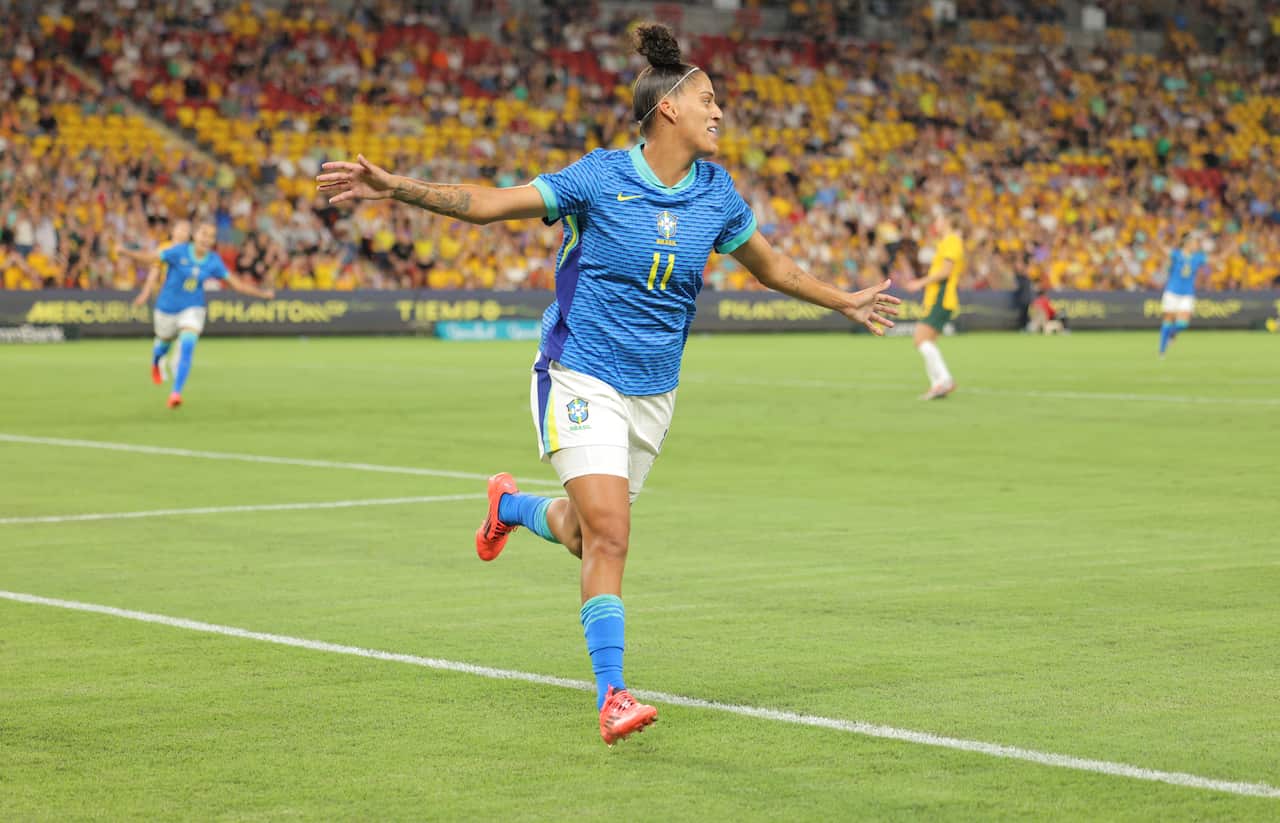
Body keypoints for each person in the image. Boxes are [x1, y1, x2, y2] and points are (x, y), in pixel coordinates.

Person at [316, 23, 900, 746]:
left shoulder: (716, 195)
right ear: (669, 111)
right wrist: (394, 187)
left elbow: (772, 269)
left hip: (654, 392)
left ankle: (512, 505)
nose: (720, 113)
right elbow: (492, 203)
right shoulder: (598, 178)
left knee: (583, 530)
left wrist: (844, 299)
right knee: (614, 535)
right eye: (709, 101)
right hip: (579, 372)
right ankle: (613, 694)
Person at [119, 222, 274, 408]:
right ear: (195, 236)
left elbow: (237, 285)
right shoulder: (178, 251)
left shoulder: (213, 261)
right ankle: (156, 361)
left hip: (193, 307)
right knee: (163, 345)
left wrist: (262, 294)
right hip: (167, 307)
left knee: (188, 343)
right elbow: (152, 259)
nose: (206, 239)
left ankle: (176, 393)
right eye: (203, 234)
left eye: (210, 236)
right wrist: (126, 252)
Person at [904, 208, 962, 399]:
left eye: (937, 219)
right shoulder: (945, 242)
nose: (935, 223)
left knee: (920, 339)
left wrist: (919, 283)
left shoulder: (952, 241)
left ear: (946, 220)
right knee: (926, 341)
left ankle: (944, 381)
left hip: (942, 299)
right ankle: (939, 383)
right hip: (937, 299)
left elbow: (946, 272)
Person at [132, 219, 192, 383]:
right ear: (174, 231)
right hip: (166, 297)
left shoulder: (191, 251)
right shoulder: (164, 249)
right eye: (181, 229)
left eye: (187, 230)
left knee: (185, 332)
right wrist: (145, 293)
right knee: (164, 335)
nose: (184, 233)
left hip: (185, 298)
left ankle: (176, 364)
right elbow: (154, 272)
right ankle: (160, 364)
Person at [1158, 232, 1209, 358]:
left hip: (1187, 293)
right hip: (1172, 291)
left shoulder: (1198, 257)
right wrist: (1160, 236)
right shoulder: (1176, 254)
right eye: (1195, 243)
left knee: (1183, 323)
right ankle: (1162, 351)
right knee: (1168, 320)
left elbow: (1217, 259)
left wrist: (1230, 249)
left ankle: (1171, 334)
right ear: (1187, 244)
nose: (1197, 245)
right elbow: (1161, 248)